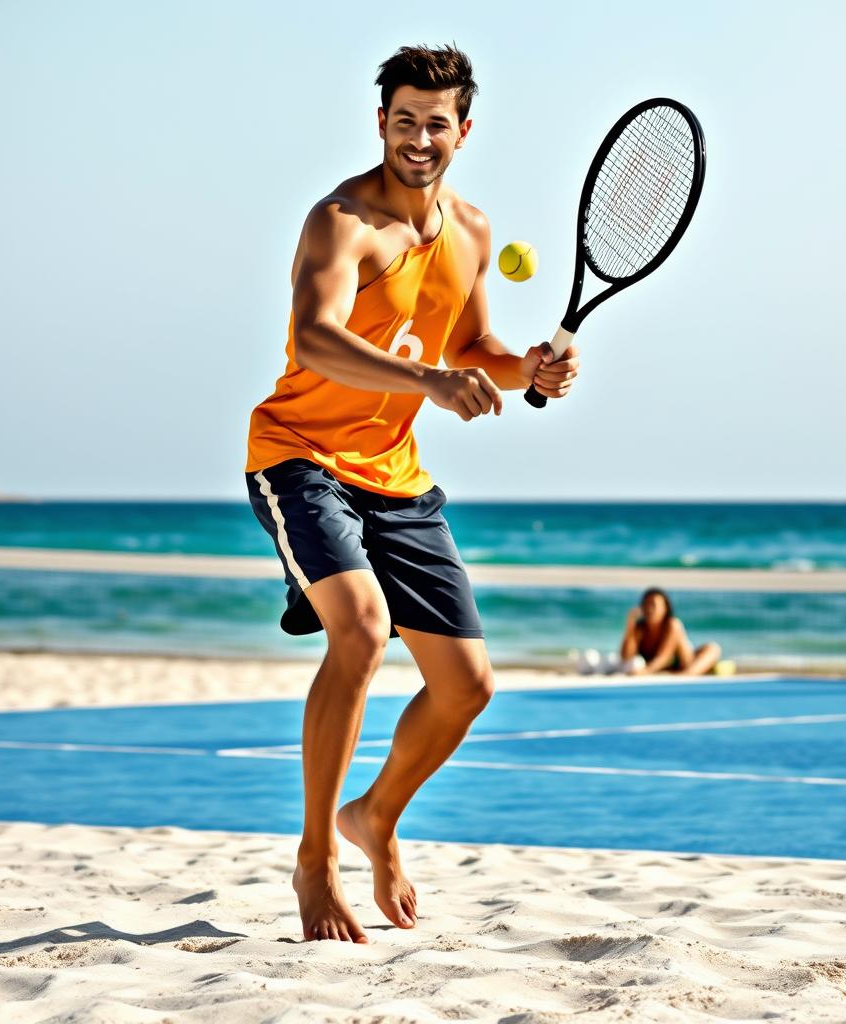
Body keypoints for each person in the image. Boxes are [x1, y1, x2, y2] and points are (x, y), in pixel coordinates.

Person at [242, 43, 581, 944]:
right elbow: (313, 339)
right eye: (403, 120)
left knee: (466, 688)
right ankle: (315, 858)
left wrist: (531, 367)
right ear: (380, 121)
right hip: (298, 454)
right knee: (359, 628)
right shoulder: (339, 223)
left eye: (437, 123)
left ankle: (375, 815)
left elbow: (475, 351)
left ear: (464, 130)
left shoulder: (469, 231)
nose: (418, 138)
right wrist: (427, 380)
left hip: (396, 476)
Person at [618, 587, 721, 676]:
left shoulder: (672, 624)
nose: (649, 609)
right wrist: (630, 625)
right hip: (665, 669)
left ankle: (689, 674)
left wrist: (645, 671)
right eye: (646, 604)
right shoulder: (640, 628)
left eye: (654, 605)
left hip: (686, 663)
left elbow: (664, 657)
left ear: (665, 608)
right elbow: (626, 656)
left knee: (713, 648)